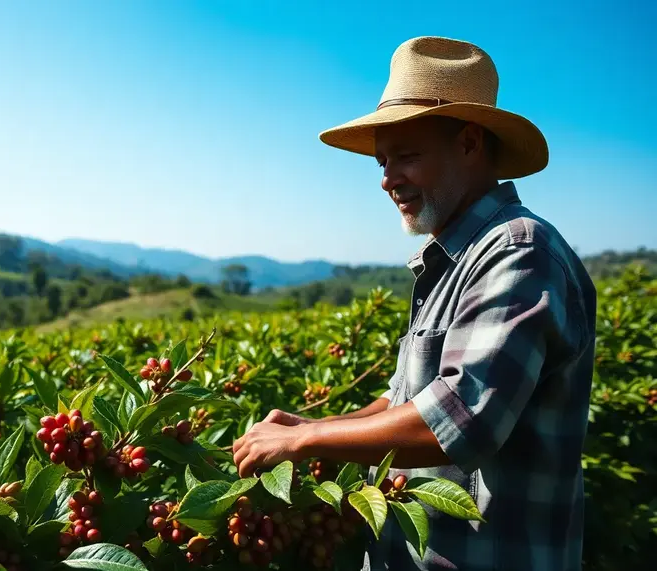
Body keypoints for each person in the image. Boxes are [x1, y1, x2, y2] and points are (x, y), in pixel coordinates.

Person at [231, 36, 597, 570]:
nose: (387, 180)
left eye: (406, 156)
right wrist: (322, 429)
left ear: (470, 143)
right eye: (382, 162)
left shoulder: (517, 252)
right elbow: (407, 401)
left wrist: (309, 440)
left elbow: (458, 420)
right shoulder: (454, 258)